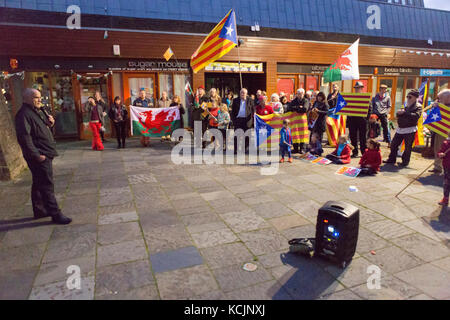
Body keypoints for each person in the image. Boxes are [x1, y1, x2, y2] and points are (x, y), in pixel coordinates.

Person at [15, 88, 72, 224]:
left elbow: (39, 131)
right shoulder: (23, 114)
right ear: (26, 98)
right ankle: (55, 214)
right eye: (36, 97)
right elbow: (25, 138)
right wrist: (37, 155)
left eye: (40, 97)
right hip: (40, 155)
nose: (39, 100)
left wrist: (49, 124)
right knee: (46, 184)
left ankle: (40, 210)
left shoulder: (36, 111)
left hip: (45, 152)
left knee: (38, 182)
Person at [383, 89, 422, 167]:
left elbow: (416, 116)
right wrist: (398, 113)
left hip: (410, 129)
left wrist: (404, 113)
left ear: (415, 97)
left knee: (407, 147)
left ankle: (405, 162)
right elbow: (401, 115)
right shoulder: (406, 105)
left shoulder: (418, 106)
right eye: (407, 96)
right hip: (400, 129)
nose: (408, 98)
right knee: (394, 144)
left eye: (410, 97)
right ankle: (392, 159)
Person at [429, 89, 450, 174]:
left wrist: (441, 107)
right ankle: (437, 166)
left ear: (447, 98)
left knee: (446, 150)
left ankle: (445, 168)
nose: (439, 99)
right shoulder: (440, 105)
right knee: (437, 148)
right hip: (439, 131)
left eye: (441, 98)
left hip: (447, 132)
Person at [348, 81, 370, 158]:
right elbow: (347, 107)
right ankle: (355, 152)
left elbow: (370, 109)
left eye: (359, 88)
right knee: (353, 137)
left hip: (362, 121)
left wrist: (366, 119)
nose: (357, 89)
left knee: (363, 138)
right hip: (352, 120)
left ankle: (364, 153)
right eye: (356, 88)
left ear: (362, 88)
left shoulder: (366, 97)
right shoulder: (350, 97)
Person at [231, 88, 255, 154]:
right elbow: (233, 111)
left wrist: (253, 117)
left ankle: (245, 149)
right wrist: (233, 120)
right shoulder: (235, 100)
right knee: (236, 136)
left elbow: (254, 109)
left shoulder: (250, 100)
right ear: (240, 93)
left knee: (247, 136)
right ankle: (236, 149)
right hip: (238, 120)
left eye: (244, 93)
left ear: (246, 94)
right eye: (241, 92)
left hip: (247, 120)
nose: (242, 94)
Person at [287, 88, 310, 153]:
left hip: (302, 121)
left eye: (301, 94)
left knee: (302, 134)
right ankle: (295, 149)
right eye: (298, 94)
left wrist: (295, 108)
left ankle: (302, 149)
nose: (299, 95)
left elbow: (305, 109)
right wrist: (298, 107)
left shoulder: (306, 101)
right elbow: (289, 108)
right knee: (295, 134)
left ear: (303, 94)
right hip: (294, 121)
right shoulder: (294, 101)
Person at [437, 131, 450, 205]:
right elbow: (440, 152)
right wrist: (440, 154)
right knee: (447, 183)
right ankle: (445, 198)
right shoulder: (446, 143)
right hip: (447, 166)